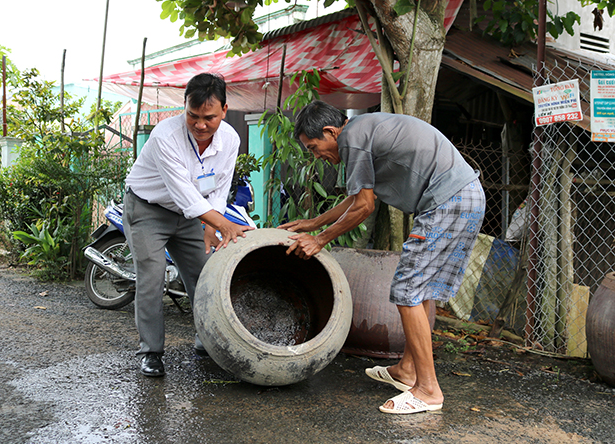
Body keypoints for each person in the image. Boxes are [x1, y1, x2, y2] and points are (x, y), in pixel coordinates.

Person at [279, 101, 485, 414]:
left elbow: (364, 207)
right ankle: (407, 370)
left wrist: (319, 241)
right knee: (422, 288)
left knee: (407, 290)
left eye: (313, 147)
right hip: (464, 196)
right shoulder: (364, 130)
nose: (315, 155)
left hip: (447, 201)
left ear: (330, 131)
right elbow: (357, 197)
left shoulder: (354, 139)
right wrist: (314, 223)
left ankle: (428, 390)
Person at [123, 73, 253, 377]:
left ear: (224, 109)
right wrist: (223, 224)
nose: (200, 124)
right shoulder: (165, 136)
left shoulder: (230, 139)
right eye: (192, 115)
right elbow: (182, 191)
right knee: (152, 278)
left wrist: (213, 223)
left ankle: (207, 341)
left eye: (209, 117)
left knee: (204, 275)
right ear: (185, 107)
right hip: (147, 210)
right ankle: (151, 352)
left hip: (194, 215)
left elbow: (221, 185)